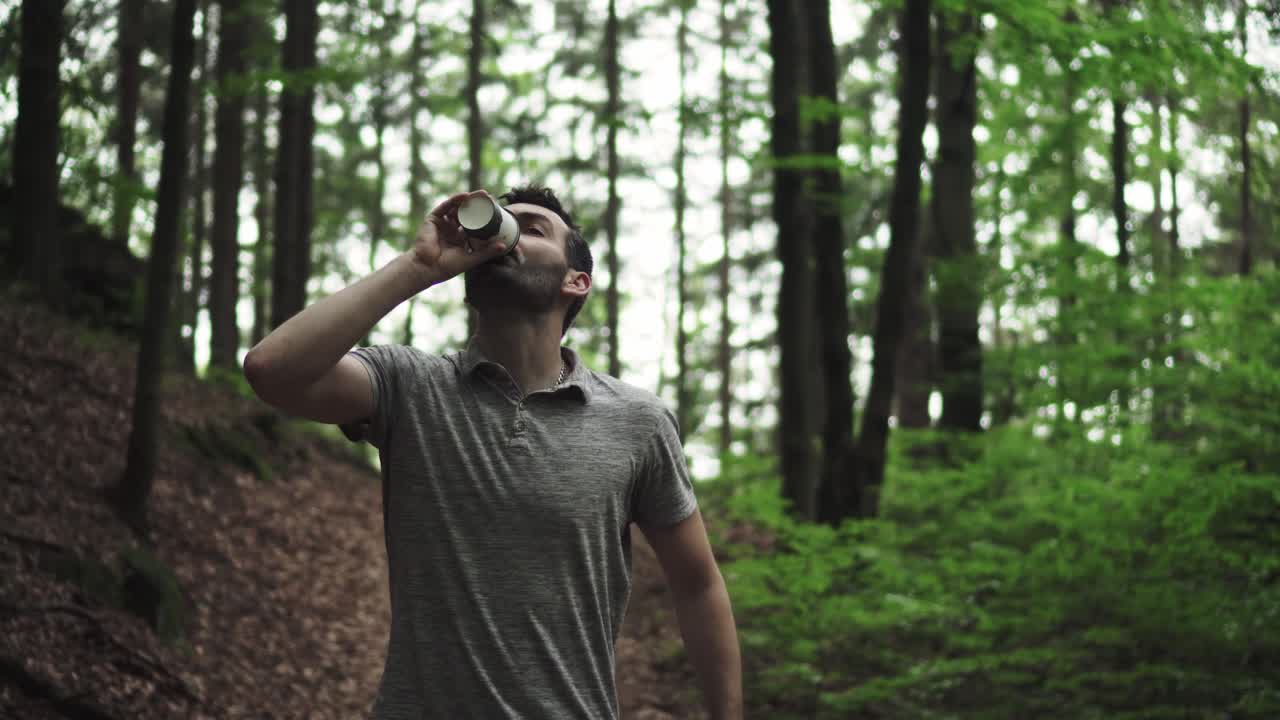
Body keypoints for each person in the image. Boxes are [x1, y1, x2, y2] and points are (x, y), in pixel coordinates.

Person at [243, 186, 743, 719]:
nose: (507, 236)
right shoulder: (410, 386)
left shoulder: (636, 421)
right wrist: (417, 266)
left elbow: (698, 585)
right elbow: (270, 371)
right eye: (506, 223)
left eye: (534, 229)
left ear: (576, 281)